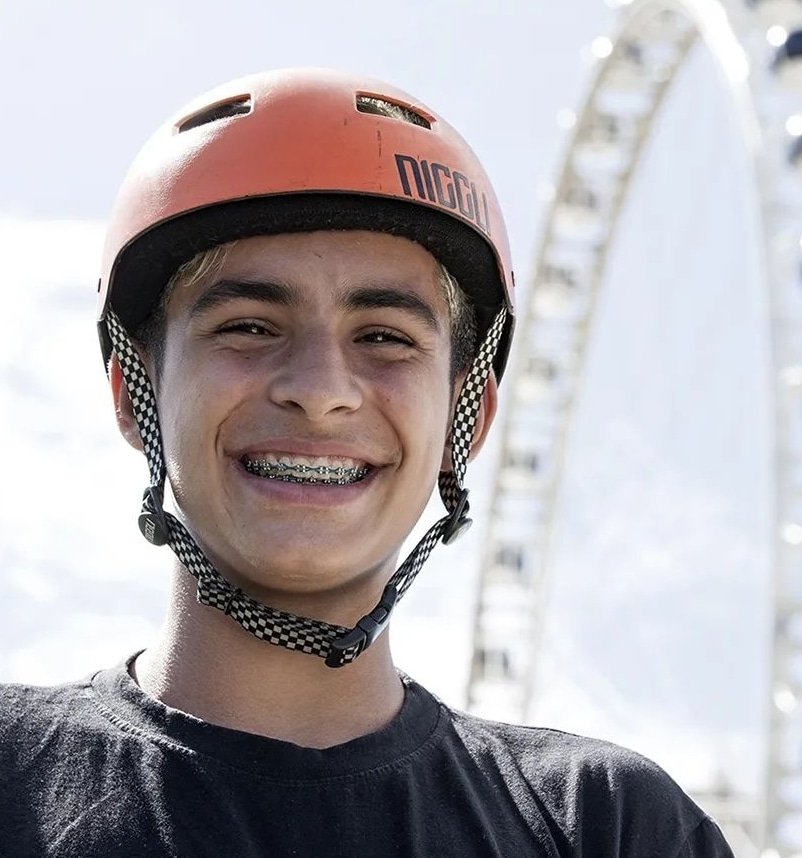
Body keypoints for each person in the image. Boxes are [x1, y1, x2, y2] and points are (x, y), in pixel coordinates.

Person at [0, 68, 734, 857]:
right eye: (249, 326)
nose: (320, 392)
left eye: (384, 337)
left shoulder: (608, 827)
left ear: (468, 418)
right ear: (132, 393)